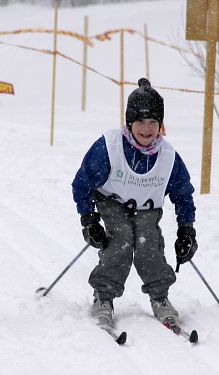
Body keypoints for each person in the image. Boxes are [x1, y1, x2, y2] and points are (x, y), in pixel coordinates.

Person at [72, 78, 198, 326]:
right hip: (112, 201)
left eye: (153, 122)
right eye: (140, 121)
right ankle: (104, 296)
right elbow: (82, 183)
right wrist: (88, 220)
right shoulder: (109, 147)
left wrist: (186, 230)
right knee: (121, 239)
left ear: (161, 125)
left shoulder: (168, 157)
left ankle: (160, 296)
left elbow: (183, 194)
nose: (146, 129)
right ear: (130, 122)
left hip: (147, 208)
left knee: (148, 243)